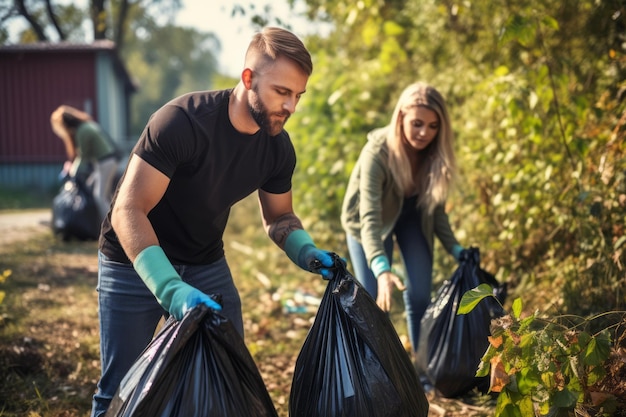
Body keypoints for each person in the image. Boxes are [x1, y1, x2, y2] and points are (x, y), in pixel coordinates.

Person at [91, 27, 338, 417]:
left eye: (298, 96)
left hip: (205, 261)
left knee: (229, 377)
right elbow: (128, 209)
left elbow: (279, 218)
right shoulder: (182, 123)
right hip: (133, 261)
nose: (291, 107)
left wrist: (305, 250)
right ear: (248, 79)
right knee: (121, 389)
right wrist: (170, 288)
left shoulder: (277, 148)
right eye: (282, 92)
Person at [340, 82, 465, 364]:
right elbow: (369, 217)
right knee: (372, 301)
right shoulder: (377, 153)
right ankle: (375, 373)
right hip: (367, 223)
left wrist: (456, 250)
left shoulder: (434, 153)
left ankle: (421, 367)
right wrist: (382, 268)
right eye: (417, 123)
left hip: (411, 216)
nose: (425, 133)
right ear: (401, 118)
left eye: (433, 126)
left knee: (420, 294)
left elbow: (437, 213)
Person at [50, 105, 119, 220]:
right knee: (103, 194)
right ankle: (110, 222)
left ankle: (110, 228)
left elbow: (84, 156)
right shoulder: (86, 126)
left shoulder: (83, 131)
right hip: (105, 162)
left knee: (99, 196)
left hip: (105, 162)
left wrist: (72, 171)